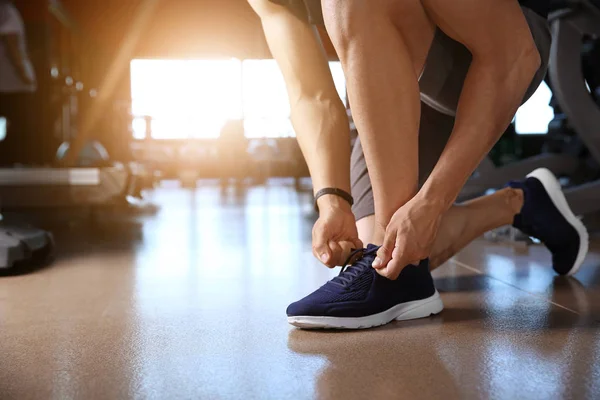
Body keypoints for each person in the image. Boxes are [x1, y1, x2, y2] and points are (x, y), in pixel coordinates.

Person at [248, 0, 589, 329]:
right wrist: (332, 201)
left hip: (502, 47)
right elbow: (312, 96)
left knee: (392, 258)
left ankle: (404, 277)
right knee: (381, 250)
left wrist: (432, 201)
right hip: (398, 77)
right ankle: (519, 203)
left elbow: (515, 54)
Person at [0, 0, 37, 165]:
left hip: (7, 83)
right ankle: (16, 161)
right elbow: (12, 44)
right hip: (13, 84)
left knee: (13, 125)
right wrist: (25, 74)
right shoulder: (7, 11)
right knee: (21, 126)